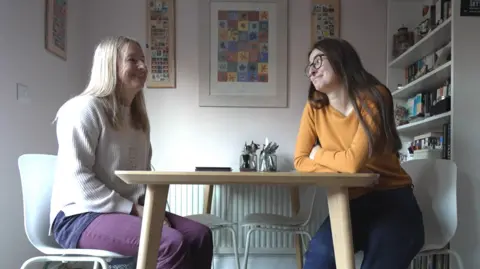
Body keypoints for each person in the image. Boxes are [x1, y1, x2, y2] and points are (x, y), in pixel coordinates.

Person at [49, 36, 213, 269]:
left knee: (199, 235)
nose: (143, 67)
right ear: (110, 66)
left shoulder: (138, 119)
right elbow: (79, 180)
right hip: (80, 216)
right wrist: (136, 210)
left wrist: (153, 211)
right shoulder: (83, 109)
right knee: (169, 243)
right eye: (132, 60)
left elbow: (141, 180)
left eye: (143, 60)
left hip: (125, 211)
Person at [294, 38, 425, 269]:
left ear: (341, 59)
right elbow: (300, 160)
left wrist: (317, 154)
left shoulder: (375, 96)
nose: (312, 69)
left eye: (318, 60)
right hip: (350, 203)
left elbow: (353, 163)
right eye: (309, 66)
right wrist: (334, 162)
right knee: (319, 257)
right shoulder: (313, 107)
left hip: (393, 199)